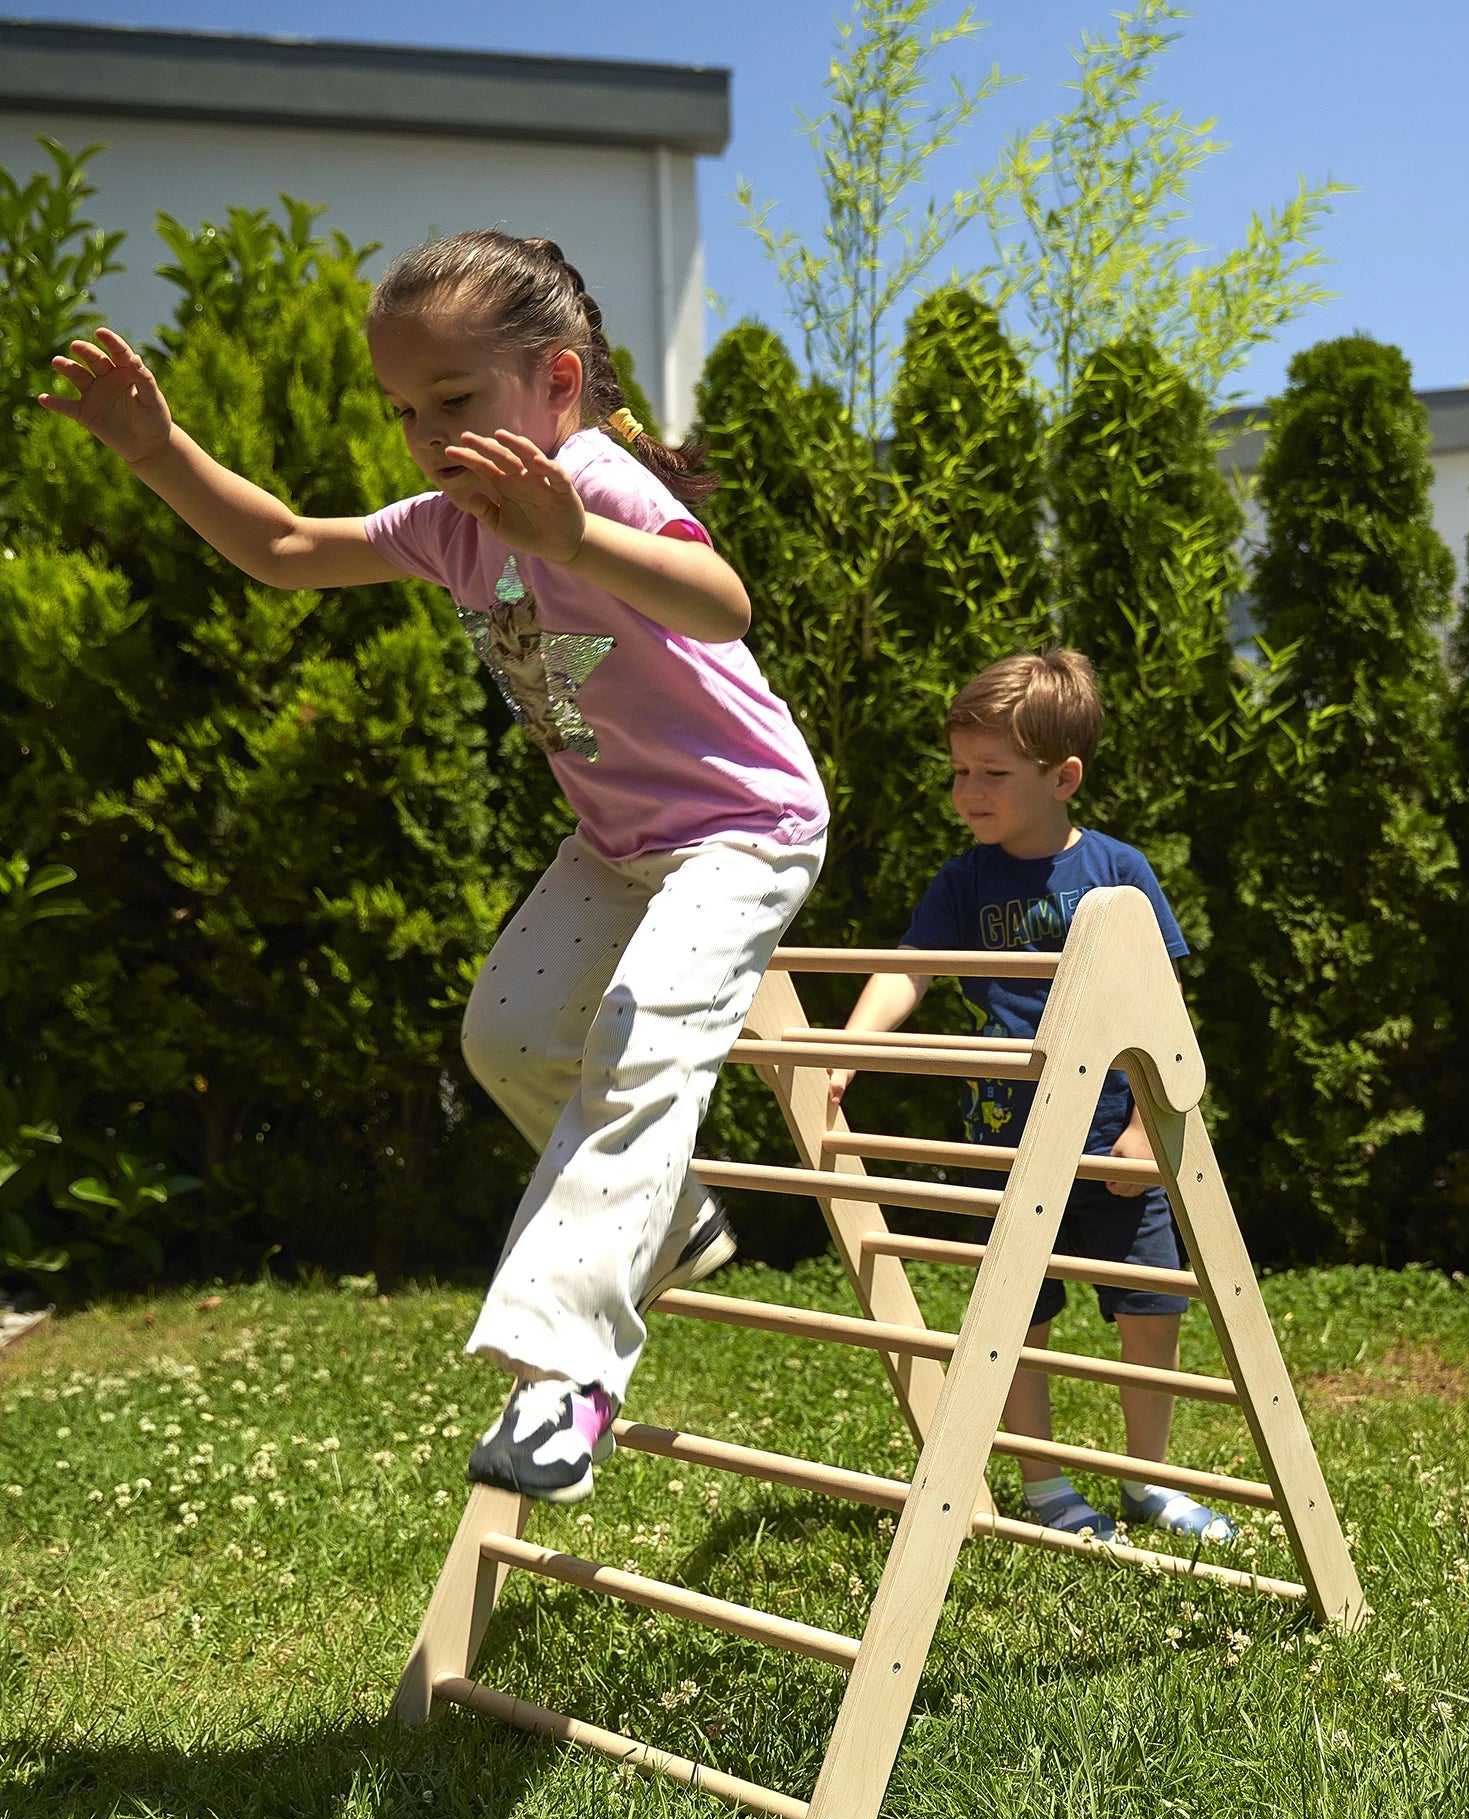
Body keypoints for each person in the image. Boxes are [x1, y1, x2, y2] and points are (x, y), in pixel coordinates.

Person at [41, 231, 828, 1503]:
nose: (423, 434)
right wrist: (158, 450)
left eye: (453, 399)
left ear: (557, 382)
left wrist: (574, 538)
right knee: (508, 1034)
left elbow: (719, 602)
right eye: (403, 410)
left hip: (744, 824)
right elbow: (287, 550)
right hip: (618, 843)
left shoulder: (593, 482)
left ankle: (566, 1374)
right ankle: (673, 1215)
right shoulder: (449, 529)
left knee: (639, 1036)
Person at [828, 650, 1233, 1544]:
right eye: (959, 772)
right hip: (1005, 1147)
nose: (968, 792)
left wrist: (1146, 1127)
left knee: (1152, 1309)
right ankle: (1045, 1483)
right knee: (1019, 1316)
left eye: (993, 773)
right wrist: (852, 1048)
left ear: (1064, 778)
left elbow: (1163, 1008)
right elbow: (909, 969)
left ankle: (1148, 1480)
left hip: (1116, 1144)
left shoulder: (1119, 872)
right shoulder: (963, 883)